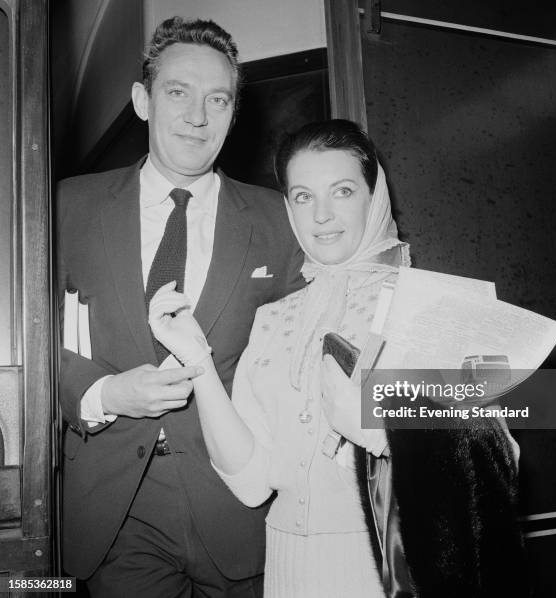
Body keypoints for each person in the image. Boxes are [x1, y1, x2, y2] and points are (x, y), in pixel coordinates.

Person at [148, 119, 528, 597]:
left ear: (375, 198)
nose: (322, 214)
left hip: (391, 568)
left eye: (343, 191)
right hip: (288, 566)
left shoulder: (435, 306)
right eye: (304, 197)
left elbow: (500, 459)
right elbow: (251, 483)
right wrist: (197, 358)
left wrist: (379, 425)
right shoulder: (271, 319)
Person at [57, 16, 303, 598]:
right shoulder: (66, 207)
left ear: (234, 113)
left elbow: (300, 361)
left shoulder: (280, 221)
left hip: (239, 510)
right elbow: (23, 334)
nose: (198, 116)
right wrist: (104, 393)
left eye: (218, 99)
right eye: (178, 93)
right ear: (142, 101)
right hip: (116, 515)